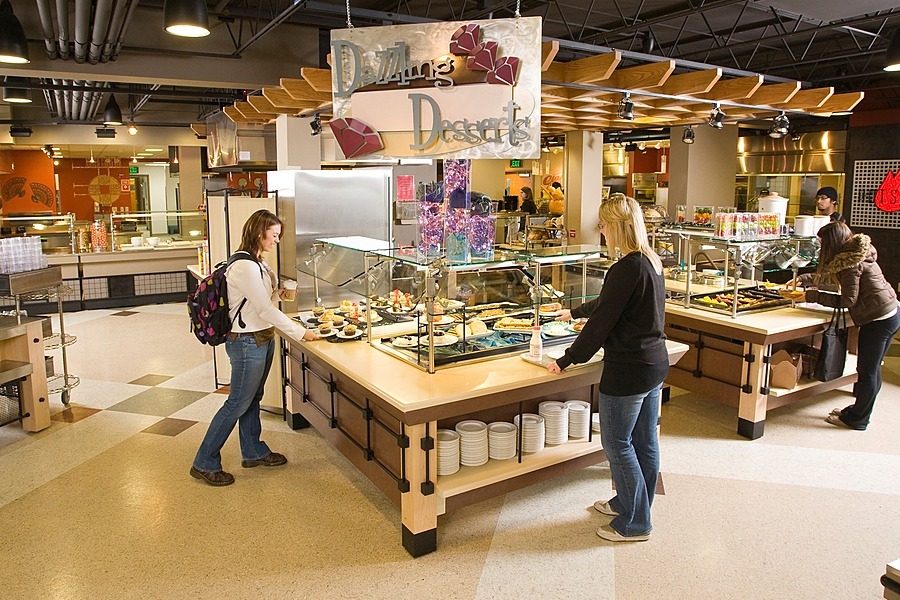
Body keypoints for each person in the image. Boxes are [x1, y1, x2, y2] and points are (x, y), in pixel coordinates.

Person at [548, 193, 668, 542]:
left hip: (628, 369)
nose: (600, 230)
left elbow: (602, 324)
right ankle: (632, 504)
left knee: (617, 444)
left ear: (617, 226)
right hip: (654, 363)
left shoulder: (626, 267)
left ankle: (636, 523)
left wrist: (567, 359)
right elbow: (609, 304)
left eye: (603, 224)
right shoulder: (650, 260)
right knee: (645, 442)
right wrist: (573, 312)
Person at [191, 209, 318, 486]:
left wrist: (278, 294)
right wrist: (301, 333)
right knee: (237, 402)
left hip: (261, 337)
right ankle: (204, 462)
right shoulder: (245, 266)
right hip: (247, 342)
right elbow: (263, 309)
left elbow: (257, 302)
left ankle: (253, 450)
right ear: (259, 233)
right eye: (273, 235)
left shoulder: (256, 262)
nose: (276, 240)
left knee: (252, 399)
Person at [783, 222, 898, 431]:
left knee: (868, 371)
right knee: (872, 370)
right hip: (890, 312)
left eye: (823, 243)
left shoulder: (851, 264)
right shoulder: (855, 254)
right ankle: (858, 411)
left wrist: (810, 296)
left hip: (879, 319)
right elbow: (836, 280)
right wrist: (805, 279)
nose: (821, 248)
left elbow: (847, 300)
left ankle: (858, 419)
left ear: (832, 242)